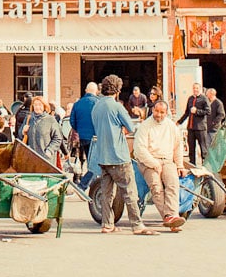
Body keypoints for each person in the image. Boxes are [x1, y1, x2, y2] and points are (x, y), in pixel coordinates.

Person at [91, 74, 156, 236]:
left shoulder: (96, 106)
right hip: (118, 155)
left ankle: (107, 224)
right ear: (118, 90)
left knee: (107, 193)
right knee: (129, 191)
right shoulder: (117, 106)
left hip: (102, 156)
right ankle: (137, 224)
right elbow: (131, 126)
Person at [133, 100, 187, 232]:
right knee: (156, 187)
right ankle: (169, 218)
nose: (159, 114)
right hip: (148, 161)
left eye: (162, 112)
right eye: (157, 111)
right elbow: (140, 149)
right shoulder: (145, 126)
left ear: (166, 113)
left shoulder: (171, 126)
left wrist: (179, 165)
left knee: (173, 183)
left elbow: (177, 146)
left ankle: (172, 216)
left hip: (167, 160)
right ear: (153, 110)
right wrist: (153, 163)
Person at [69, 82, 100, 187]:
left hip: (83, 137)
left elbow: (72, 121)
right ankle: (83, 185)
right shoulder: (98, 102)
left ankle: (91, 184)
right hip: (96, 137)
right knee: (95, 164)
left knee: (91, 162)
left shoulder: (77, 104)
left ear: (86, 90)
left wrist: (79, 130)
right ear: (96, 91)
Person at [177, 82, 210, 165]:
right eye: (194, 88)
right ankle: (192, 164)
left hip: (200, 127)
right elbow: (187, 112)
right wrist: (179, 122)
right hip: (191, 127)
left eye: (197, 88)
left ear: (200, 89)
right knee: (191, 148)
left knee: (203, 148)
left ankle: (205, 165)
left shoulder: (204, 98)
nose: (195, 89)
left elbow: (208, 111)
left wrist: (197, 111)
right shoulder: (190, 99)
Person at [25, 97, 65, 164]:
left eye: (40, 105)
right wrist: (23, 132)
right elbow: (20, 137)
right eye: (35, 105)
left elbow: (58, 138)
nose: (37, 107)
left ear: (44, 106)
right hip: (31, 159)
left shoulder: (51, 120)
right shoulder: (29, 119)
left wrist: (49, 151)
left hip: (46, 159)